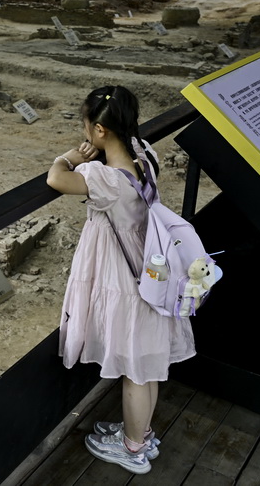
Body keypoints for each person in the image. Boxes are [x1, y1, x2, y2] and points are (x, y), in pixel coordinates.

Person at [46, 85, 195, 475]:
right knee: (148, 364)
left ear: (98, 130)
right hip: (149, 266)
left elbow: (57, 179)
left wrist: (68, 157)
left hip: (125, 278)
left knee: (135, 369)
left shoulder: (105, 178)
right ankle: (141, 432)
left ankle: (132, 448)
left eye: (86, 127)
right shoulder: (144, 156)